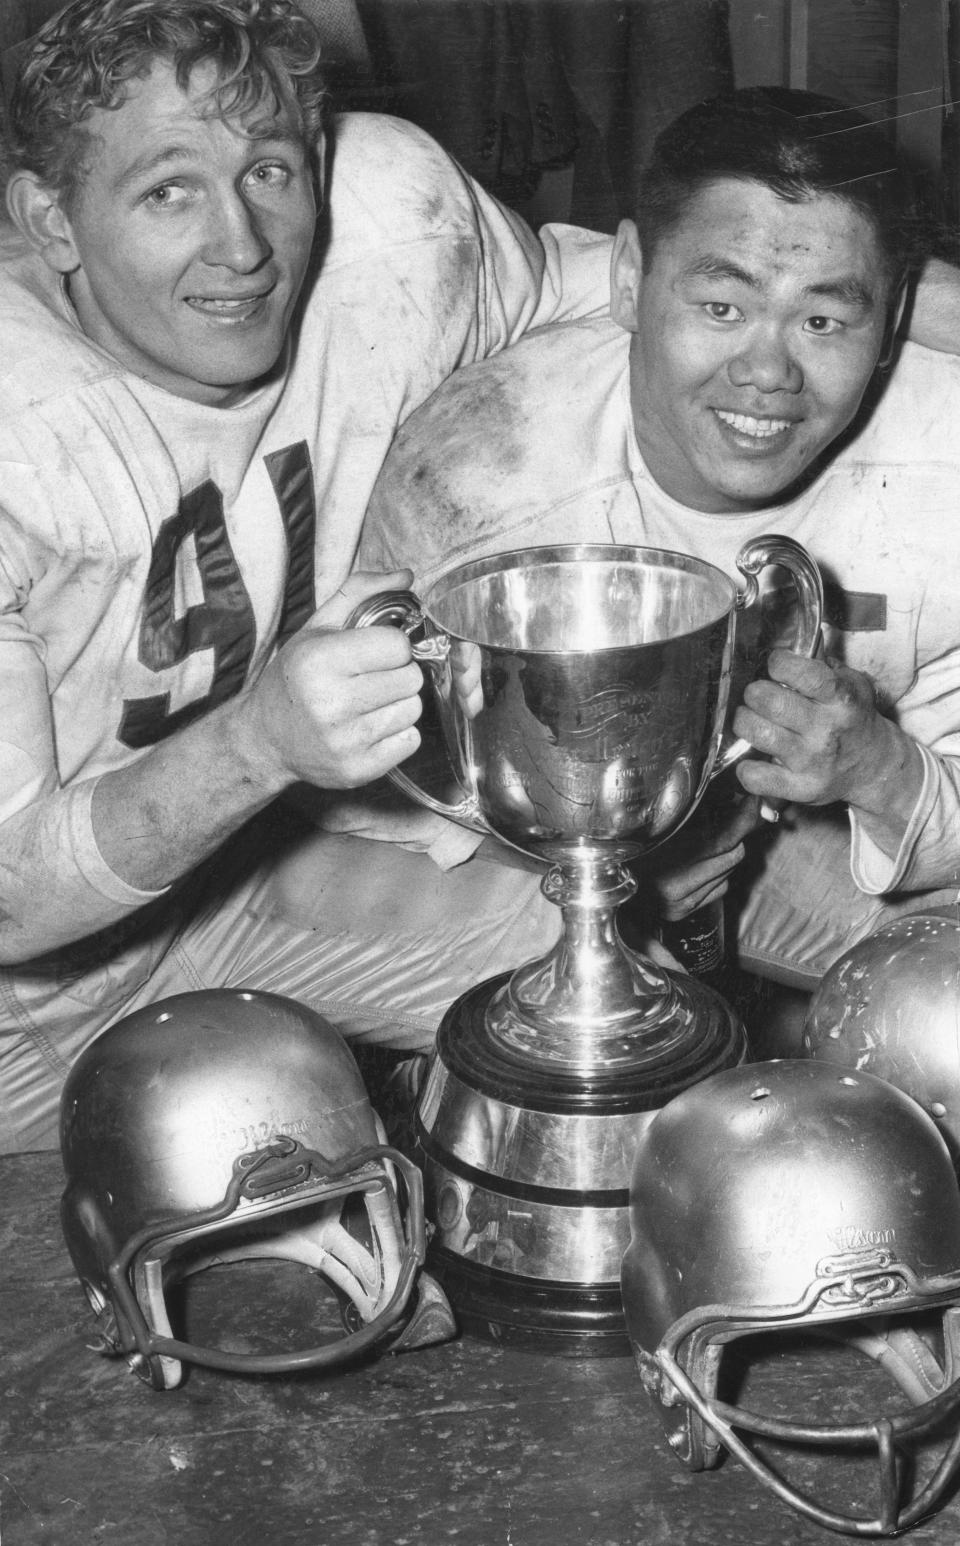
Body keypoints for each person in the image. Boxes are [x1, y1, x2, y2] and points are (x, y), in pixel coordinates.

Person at [0, 0, 624, 1151]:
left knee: (597, 974)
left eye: (270, 171)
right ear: (54, 220)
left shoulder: (382, 215)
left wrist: (894, 295)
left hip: (231, 885)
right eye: (167, 191)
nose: (242, 246)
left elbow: (645, 292)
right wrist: (261, 745)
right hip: (16, 1001)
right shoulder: (20, 419)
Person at [358, 86, 960, 1024]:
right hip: (532, 866)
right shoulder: (478, 475)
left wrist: (878, 770)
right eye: (722, 305)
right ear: (630, 277)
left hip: (835, 845)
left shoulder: (947, 460)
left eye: (824, 322)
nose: (769, 371)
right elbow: (370, 791)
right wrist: (545, 863)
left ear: (894, 322)